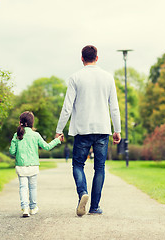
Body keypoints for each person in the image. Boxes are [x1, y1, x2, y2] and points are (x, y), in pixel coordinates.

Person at [55, 45, 121, 216]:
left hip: (82, 129)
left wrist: (59, 129)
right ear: (97, 58)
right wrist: (117, 130)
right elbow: (114, 107)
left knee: (78, 164)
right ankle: (94, 207)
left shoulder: (75, 78)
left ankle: (83, 192)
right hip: (102, 129)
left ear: (82, 58)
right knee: (99, 167)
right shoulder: (108, 77)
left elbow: (67, 107)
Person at [10, 111, 63, 217]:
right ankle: (33, 208)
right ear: (32, 123)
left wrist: (16, 147)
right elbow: (47, 147)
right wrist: (57, 140)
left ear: (20, 122)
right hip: (33, 166)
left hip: (21, 166)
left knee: (23, 187)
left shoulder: (17, 135)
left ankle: (25, 208)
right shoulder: (35, 135)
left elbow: (12, 151)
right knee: (32, 187)